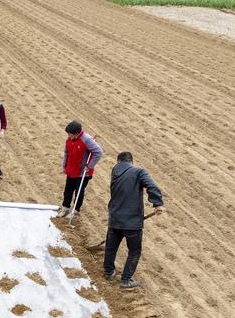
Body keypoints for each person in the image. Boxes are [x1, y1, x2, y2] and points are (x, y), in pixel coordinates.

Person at [104, 151, 164, 289]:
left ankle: (108, 272)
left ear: (118, 161)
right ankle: (126, 280)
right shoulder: (139, 172)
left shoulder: (115, 171)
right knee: (134, 251)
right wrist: (158, 204)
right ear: (132, 162)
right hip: (131, 221)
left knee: (111, 247)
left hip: (114, 218)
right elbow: (152, 186)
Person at [58, 121, 103, 220]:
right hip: (71, 170)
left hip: (83, 173)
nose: (68, 136)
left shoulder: (87, 139)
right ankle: (65, 208)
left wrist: (90, 166)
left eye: (69, 134)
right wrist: (64, 166)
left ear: (76, 133)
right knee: (68, 190)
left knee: (79, 192)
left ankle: (75, 211)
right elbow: (66, 153)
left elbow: (98, 152)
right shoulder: (69, 140)